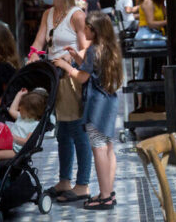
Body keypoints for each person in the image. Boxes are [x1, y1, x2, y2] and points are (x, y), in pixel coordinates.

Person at [28, 0, 92, 203]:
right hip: (55, 79)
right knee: (62, 132)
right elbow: (39, 41)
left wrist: (68, 58)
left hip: (72, 79)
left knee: (76, 130)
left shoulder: (76, 15)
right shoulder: (48, 14)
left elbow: (86, 48)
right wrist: (33, 56)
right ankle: (65, 180)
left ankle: (83, 184)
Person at [54, 12, 123, 210]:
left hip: (97, 103)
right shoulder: (109, 47)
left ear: (95, 30)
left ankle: (105, 196)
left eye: (86, 28)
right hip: (109, 101)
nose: (83, 31)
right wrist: (76, 56)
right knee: (108, 146)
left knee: (99, 147)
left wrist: (66, 65)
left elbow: (83, 77)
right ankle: (107, 192)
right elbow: (93, 69)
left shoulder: (94, 49)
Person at [133, 0, 167, 78]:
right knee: (170, 43)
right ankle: (160, 77)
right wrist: (166, 22)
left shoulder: (159, 3)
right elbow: (151, 23)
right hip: (145, 35)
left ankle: (160, 74)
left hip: (155, 35)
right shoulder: (148, 2)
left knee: (168, 43)